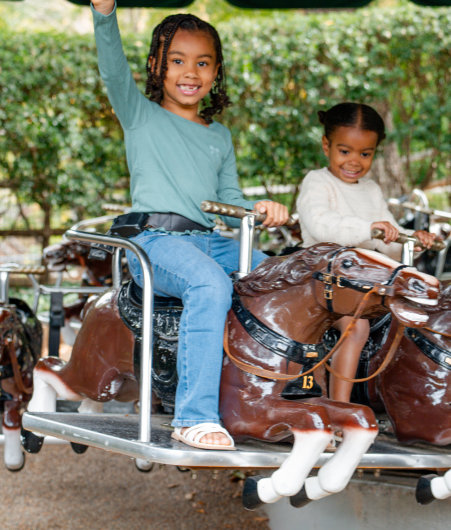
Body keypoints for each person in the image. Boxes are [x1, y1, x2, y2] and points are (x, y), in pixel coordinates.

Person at [89, 0, 289, 450]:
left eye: (202, 63)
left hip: (210, 239)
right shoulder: (139, 115)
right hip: (154, 242)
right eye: (177, 61)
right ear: (156, 66)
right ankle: (193, 417)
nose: (190, 72)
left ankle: (273, 396)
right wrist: (104, 15)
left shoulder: (219, 135)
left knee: (278, 276)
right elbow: (112, 70)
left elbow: (230, 202)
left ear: (216, 71)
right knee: (209, 284)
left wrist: (259, 207)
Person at [296, 102, 438, 403]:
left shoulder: (371, 190)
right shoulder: (317, 182)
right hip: (321, 279)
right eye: (344, 151)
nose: (354, 161)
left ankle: (403, 397)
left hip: (362, 284)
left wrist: (412, 237)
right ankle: (340, 407)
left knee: (420, 319)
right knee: (355, 327)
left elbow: (389, 240)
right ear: (326, 145)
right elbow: (323, 226)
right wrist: (369, 227)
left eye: (365, 153)